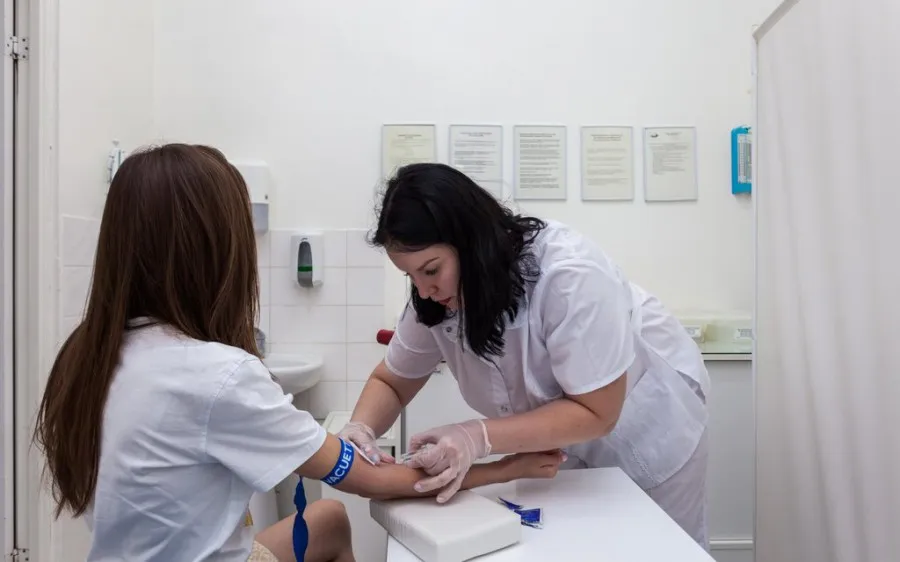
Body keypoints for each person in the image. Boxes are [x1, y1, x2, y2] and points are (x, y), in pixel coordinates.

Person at [31, 145, 565, 562]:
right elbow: (371, 478)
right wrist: (500, 467)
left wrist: (358, 432)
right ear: (215, 252)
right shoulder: (217, 375)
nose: (425, 290)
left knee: (328, 521)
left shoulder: (86, 355)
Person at [338, 162, 712, 549]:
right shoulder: (437, 299)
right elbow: (392, 381)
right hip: (559, 451)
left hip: (647, 426)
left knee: (661, 549)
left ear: (471, 242)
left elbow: (598, 411)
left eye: (431, 270)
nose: (423, 291)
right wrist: (361, 428)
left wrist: (475, 436)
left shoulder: (569, 276)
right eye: (410, 276)